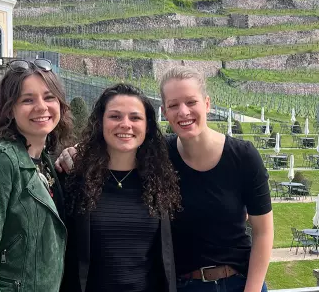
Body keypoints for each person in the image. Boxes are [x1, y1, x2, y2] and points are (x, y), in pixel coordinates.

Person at [56, 67, 273, 291]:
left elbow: (263, 231)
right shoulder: (161, 156)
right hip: (185, 285)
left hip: (239, 282)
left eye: (191, 102)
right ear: (164, 112)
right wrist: (75, 152)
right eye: (173, 105)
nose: (183, 112)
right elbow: (120, 141)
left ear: (207, 104)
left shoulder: (243, 156)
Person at [0, 59, 72, 292]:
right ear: (10, 109)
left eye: (49, 97)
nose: (41, 107)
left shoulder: (46, 160)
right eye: (27, 100)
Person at [61, 83, 181, 292]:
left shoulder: (161, 180)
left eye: (135, 118)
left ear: (147, 126)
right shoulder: (74, 178)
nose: (125, 124)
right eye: (115, 116)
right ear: (100, 123)